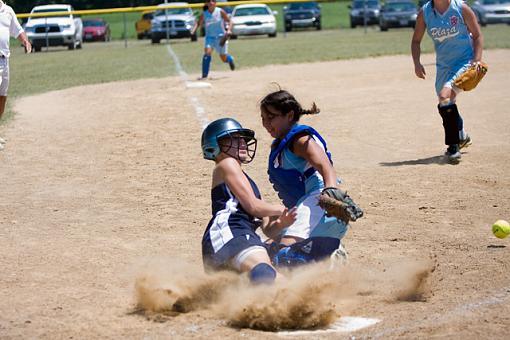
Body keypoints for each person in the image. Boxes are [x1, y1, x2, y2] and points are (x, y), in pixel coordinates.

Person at [259, 89, 363, 268]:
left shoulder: (300, 139)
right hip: (312, 210)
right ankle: (324, 256)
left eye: (271, 117)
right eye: (263, 118)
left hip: (319, 201)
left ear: (289, 115)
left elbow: (325, 166)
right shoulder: (283, 143)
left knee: (284, 255)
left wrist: (330, 191)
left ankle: (330, 259)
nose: (266, 123)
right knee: (267, 249)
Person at [201, 118, 297, 284]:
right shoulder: (226, 164)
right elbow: (253, 206)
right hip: (230, 232)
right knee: (265, 269)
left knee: (277, 275)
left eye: (243, 139)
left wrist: (281, 223)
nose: (243, 143)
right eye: (235, 139)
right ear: (215, 145)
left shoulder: (247, 182)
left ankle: (280, 305)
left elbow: (267, 229)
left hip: (240, 237)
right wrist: (280, 208)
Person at [411, 0, 483, 163]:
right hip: (443, 65)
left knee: (445, 96)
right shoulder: (426, 13)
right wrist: (417, 63)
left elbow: (477, 35)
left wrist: (477, 60)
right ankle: (462, 135)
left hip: (464, 61)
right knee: (445, 102)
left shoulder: (461, 8)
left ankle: (453, 146)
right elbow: (416, 41)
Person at [0, 1, 31, 150]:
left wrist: (25, 41)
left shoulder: (7, 10)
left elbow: (17, 30)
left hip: (5, 60)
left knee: (2, 98)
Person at [190, 0, 235, 80]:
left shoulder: (220, 11)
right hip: (210, 38)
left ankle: (230, 59)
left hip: (221, 37)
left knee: (223, 58)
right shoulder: (205, 13)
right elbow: (198, 23)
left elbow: (230, 21)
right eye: (208, 1)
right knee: (207, 53)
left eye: (213, 1)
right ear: (206, 3)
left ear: (215, 3)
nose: (211, 2)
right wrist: (193, 30)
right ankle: (204, 76)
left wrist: (229, 30)